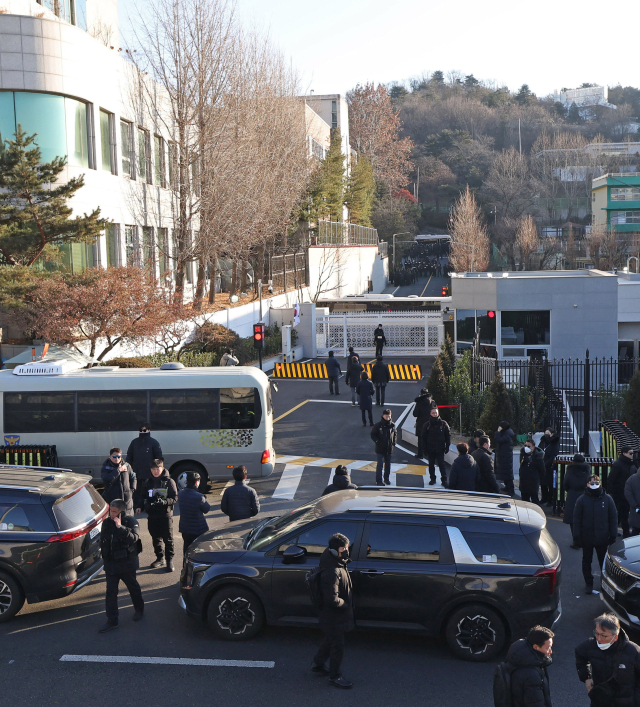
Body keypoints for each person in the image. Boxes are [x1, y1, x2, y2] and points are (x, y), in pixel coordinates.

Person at [310, 533, 354, 689]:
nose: (347, 551)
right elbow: (332, 600)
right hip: (334, 615)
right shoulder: (332, 571)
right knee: (337, 645)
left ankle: (318, 663)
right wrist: (345, 604)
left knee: (330, 639)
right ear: (336, 551)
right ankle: (335, 676)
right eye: (344, 548)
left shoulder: (334, 559)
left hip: (331, 615)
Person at [98, 499, 144, 633]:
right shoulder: (107, 523)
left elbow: (134, 538)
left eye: (114, 512)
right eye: (110, 511)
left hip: (126, 564)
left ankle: (139, 610)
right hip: (112, 565)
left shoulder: (131, 522)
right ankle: (112, 620)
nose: (111, 514)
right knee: (111, 592)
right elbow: (104, 541)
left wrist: (120, 527)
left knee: (133, 587)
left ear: (121, 512)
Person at [575, 613, 640, 706]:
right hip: (600, 700)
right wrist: (586, 677)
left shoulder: (633, 651)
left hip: (625, 702)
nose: (599, 639)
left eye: (603, 635)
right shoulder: (591, 645)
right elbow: (580, 655)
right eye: (596, 633)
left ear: (615, 637)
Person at [573, 474, 618, 594]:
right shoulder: (582, 500)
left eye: (596, 482)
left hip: (602, 538)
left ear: (600, 484)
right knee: (586, 561)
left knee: (603, 563)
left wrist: (613, 534)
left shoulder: (607, 499)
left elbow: (613, 518)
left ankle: (604, 583)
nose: (594, 485)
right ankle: (589, 583)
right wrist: (576, 536)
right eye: (592, 483)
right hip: (586, 537)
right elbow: (576, 519)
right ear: (587, 484)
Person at [135, 459, 177, 572]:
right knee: (155, 537)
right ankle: (160, 558)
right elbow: (142, 495)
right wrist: (139, 506)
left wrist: (165, 502)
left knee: (168, 539)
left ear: (162, 468)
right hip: (152, 514)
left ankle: (169, 561)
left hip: (165, 514)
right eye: (153, 469)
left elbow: (175, 498)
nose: (155, 471)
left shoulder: (169, 481)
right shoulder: (148, 481)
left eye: (157, 469)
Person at [507, 625, 554, 707]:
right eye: (548, 648)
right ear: (535, 647)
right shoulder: (531, 675)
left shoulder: (519, 657)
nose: (551, 651)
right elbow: (535, 703)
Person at [126, 424, 162, 506]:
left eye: (144, 430)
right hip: (136, 470)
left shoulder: (154, 442)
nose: (142, 432)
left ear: (149, 430)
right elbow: (129, 456)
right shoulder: (134, 442)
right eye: (141, 430)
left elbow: (159, 457)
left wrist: (156, 469)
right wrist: (129, 467)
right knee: (137, 489)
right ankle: (138, 505)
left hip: (149, 471)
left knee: (149, 489)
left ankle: (150, 504)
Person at [178, 471, 210, 559]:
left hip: (185, 528)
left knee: (187, 549)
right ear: (196, 482)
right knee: (201, 550)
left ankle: (185, 565)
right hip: (198, 529)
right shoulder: (199, 497)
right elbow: (206, 509)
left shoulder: (180, 494)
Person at [562, 453, 591, 547]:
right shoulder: (587, 471)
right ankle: (584, 539)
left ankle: (576, 541)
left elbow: (565, 483)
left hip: (572, 495)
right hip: (584, 495)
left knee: (573, 519)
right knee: (583, 518)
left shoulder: (570, 471)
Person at [609, 446, 636, 539]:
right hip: (620, 493)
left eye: (633, 453)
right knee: (622, 513)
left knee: (624, 513)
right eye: (630, 453)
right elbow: (611, 479)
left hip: (629, 492)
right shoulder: (618, 464)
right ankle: (624, 532)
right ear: (624, 453)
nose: (632, 455)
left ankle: (620, 531)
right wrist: (611, 492)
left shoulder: (632, 464)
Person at [420, 407, 451, 487]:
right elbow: (423, 438)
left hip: (440, 449)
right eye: (433, 413)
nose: (435, 414)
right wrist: (424, 449)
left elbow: (448, 436)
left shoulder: (443, 424)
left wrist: (447, 446)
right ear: (430, 414)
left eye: (436, 413)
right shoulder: (427, 425)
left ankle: (444, 480)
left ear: (438, 413)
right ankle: (432, 479)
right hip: (430, 449)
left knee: (441, 464)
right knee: (431, 464)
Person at [101, 447, 136, 516]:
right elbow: (107, 479)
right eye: (114, 456)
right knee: (115, 521)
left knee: (128, 520)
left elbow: (133, 477)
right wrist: (118, 470)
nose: (116, 459)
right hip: (113, 498)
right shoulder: (106, 467)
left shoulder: (127, 465)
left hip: (126, 498)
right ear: (110, 457)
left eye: (118, 456)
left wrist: (132, 489)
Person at [370, 409, 397, 486]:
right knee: (380, 465)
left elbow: (395, 435)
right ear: (383, 416)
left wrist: (393, 443)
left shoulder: (393, 425)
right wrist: (377, 442)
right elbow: (373, 435)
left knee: (388, 465)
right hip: (380, 449)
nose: (388, 418)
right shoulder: (378, 425)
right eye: (386, 416)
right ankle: (379, 481)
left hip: (389, 449)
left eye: (389, 416)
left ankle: (386, 479)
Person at [519, 438, 546, 504]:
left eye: (528, 446)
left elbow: (542, 470)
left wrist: (540, 480)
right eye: (525, 445)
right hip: (524, 480)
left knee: (534, 500)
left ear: (533, 447)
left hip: (533, 481)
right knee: (524, 500)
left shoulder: (538, 456)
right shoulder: (523, 454)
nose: (526, 448)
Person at [539, 428, 560, 504]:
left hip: (549, 466)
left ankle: (550, 499)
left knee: (550, 484)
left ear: (552, 434)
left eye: (548, 433)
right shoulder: (543, 441)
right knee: (543, 484)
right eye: (545, 433)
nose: (546, 434)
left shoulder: (554, 443)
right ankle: (544, 497)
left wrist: (546, 463)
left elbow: (553, 455)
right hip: (542, 465)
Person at [495, 421, 515, 496]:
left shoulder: (507, 434)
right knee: (505, 473)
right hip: (504, 455)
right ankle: (507, 487)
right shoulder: (507, 432)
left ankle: (511, 489)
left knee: (507, 474)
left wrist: (497, 432)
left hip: (506, 457)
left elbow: (499, 440)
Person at [413, 388, 435, 457]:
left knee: (420, 439)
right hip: (431, 423)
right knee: (430, 439)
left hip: (421, 423)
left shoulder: (419, 402)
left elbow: (415, 414)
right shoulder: (432, 402)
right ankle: (429, 454)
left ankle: (420, 454)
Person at [625, 462, 640, 538]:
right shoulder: (632, 479)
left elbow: (628, 494)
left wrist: (635, 506)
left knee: (634, 536)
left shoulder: (631, 479)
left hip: (636, 512)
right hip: (636, 512)